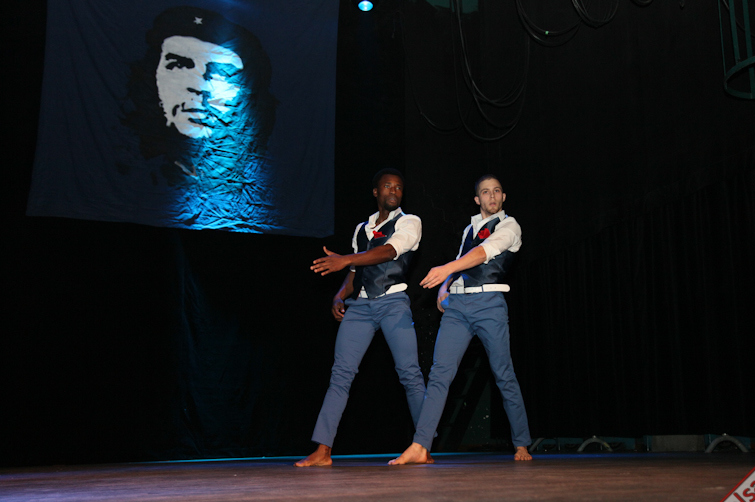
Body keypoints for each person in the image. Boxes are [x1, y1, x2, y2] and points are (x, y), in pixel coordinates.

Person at [390, 174, 532, 465]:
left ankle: (521, 443)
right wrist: (445, 286)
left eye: (497, 191)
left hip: (489, 304)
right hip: (458, 307)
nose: (492, 196)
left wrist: (445, 269)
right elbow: (462, 262)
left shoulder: (510, 226)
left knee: (503, 374)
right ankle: (420, 445)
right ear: (477, 199)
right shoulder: (470, 229)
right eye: (486, 192)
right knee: (439, 374)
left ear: (503, 196)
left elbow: (483, 253)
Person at [295, 169, 428, 467]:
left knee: (409, 373)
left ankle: (423, 446)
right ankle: (323, 450)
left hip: (393, 302)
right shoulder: (361, 229)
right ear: (376, 192)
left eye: (399, 187)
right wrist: (339, 295)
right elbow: (356, 273)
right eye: (387, 186)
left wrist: (345, 259)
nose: (394, 191)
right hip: (361, 307)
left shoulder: (409, 222)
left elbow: (389, 251)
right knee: (340, 374)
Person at [123, 6, 277, 230]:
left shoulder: (249, 175)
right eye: (180, 66)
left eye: (221, 74)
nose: (199, 86)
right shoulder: (130, 167)